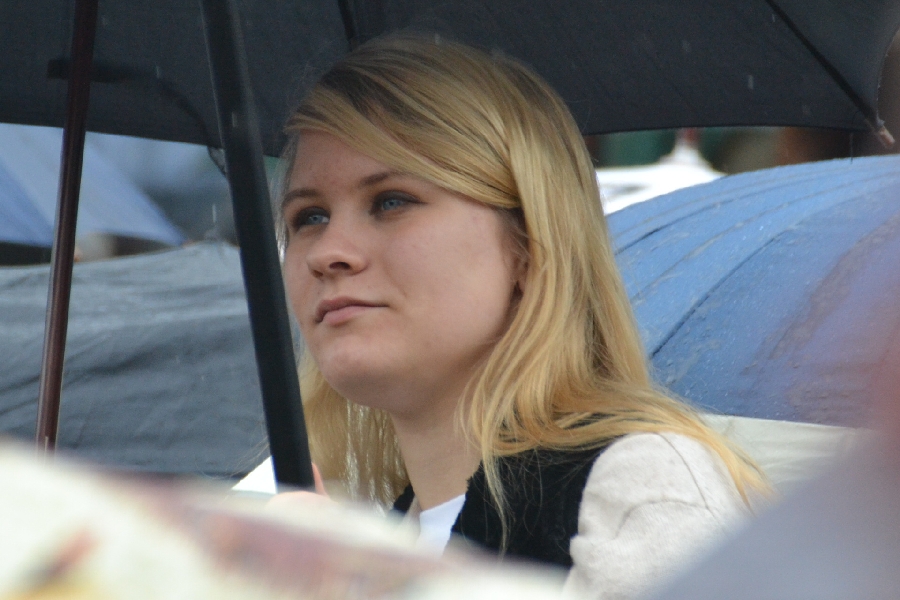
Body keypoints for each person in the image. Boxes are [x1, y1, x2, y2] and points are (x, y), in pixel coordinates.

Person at [276, 35, 767, 600]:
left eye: (391, 201)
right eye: (308, 216)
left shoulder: (642, 487)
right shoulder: (379, 537)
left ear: (528, 246)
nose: (328, 252)